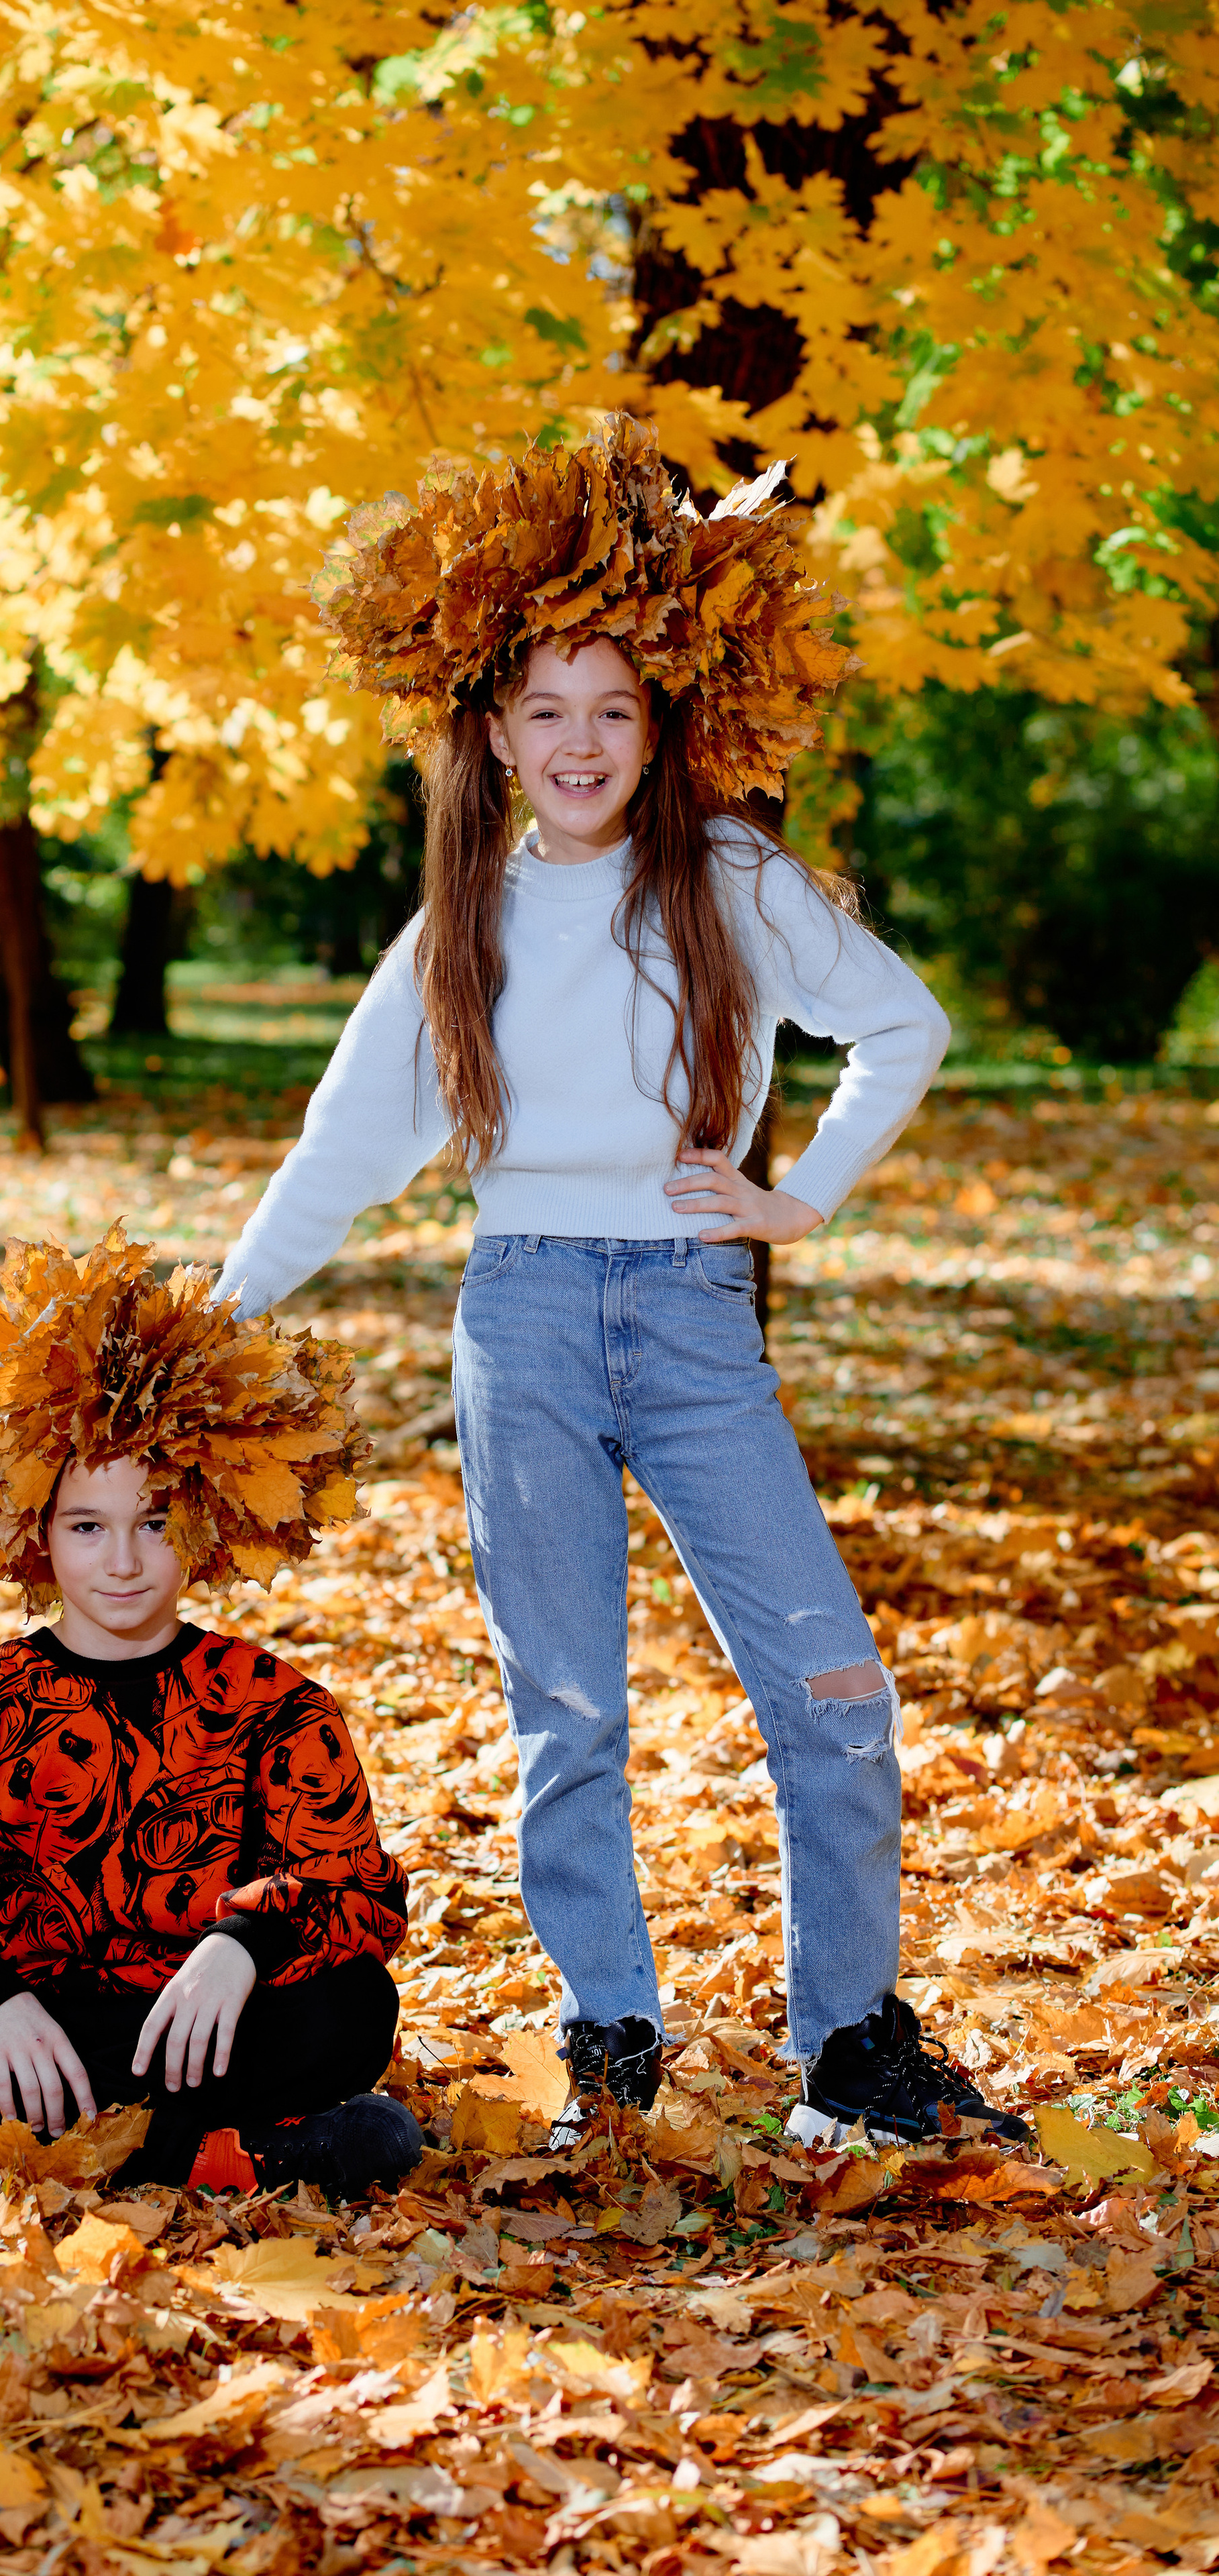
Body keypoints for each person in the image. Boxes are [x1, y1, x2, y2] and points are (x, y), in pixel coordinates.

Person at [219, 416, 1030, 2153]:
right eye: (546, 711)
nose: (581, 742)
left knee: (827, 1677)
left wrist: (791, 1200)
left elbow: (903, 1024)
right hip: (519, 1318)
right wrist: (212, 1325)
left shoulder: (726, 876)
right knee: (567, 1701)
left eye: (615, 708)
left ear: (658, 724)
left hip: (687, 1313)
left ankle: (855, 2046)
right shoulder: (461, 927)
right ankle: (611, 2035)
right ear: (494, 732)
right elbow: (342, 1155)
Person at [0, 1230, 420, 2196]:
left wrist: (240, 1946)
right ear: (33, 1533)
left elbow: (358, 1893)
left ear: (209, 1521)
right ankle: (207, 2154)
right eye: (88, 1527)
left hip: (203, 2026)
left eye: (154, 1525)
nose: (124, 1561)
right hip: (31, 2022)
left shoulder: (280, 1706)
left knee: (351, 2007)